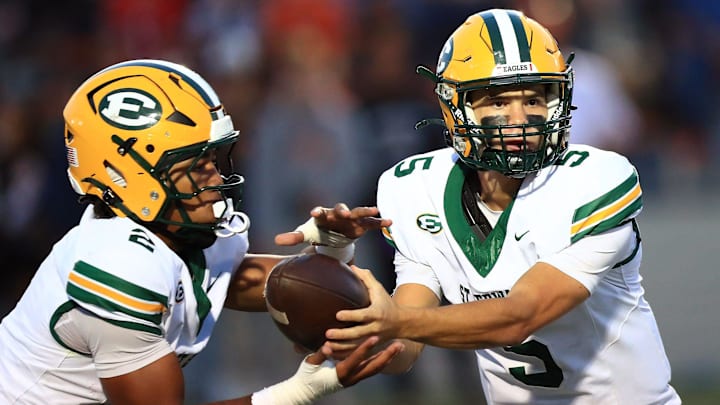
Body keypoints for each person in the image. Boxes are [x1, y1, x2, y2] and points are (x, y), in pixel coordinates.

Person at [325, 9, 682, 404]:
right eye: (498, 100)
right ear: (455, 108)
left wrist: (397, 322)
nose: (521, 117)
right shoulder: (413, 188)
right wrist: (345, 324)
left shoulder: (595, 181)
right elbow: (402, 347)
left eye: (534, 97)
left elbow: (520, 315)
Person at [0, 59, 403, 405]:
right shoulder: (116, 262)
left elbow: (261, 282)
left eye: (212, 157)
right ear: (125, 175)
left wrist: (332, 253)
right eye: (193, 165)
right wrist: (296, 392)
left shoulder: (172, 237)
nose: (215, 176)